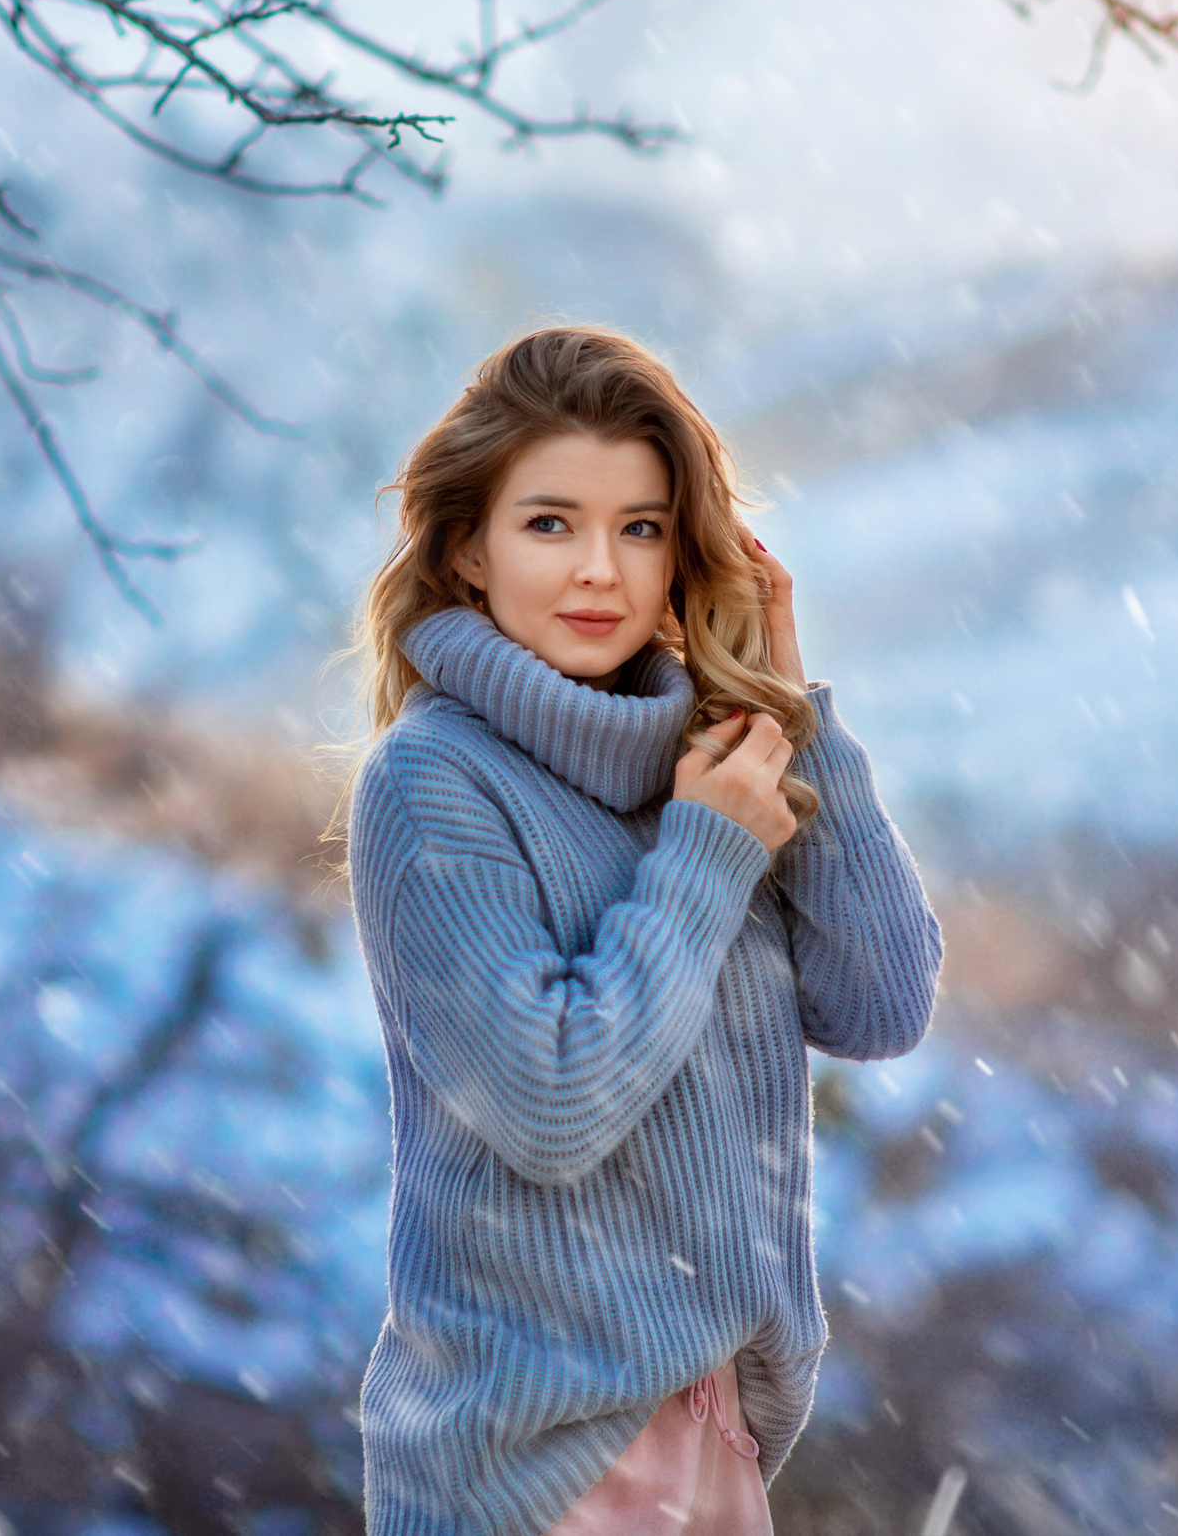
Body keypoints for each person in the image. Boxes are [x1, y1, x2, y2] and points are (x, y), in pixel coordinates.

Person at [342, 325, 946, 1534]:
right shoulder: (433, 782)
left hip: (710, 1435)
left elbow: (881, 1005)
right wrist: (709, 851)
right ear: (467, 548)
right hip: (534, 1469)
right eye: (549, 523)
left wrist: (789, 712)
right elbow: (550, 1102)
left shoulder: (710, 765)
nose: (599, 574)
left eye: (641, 528)